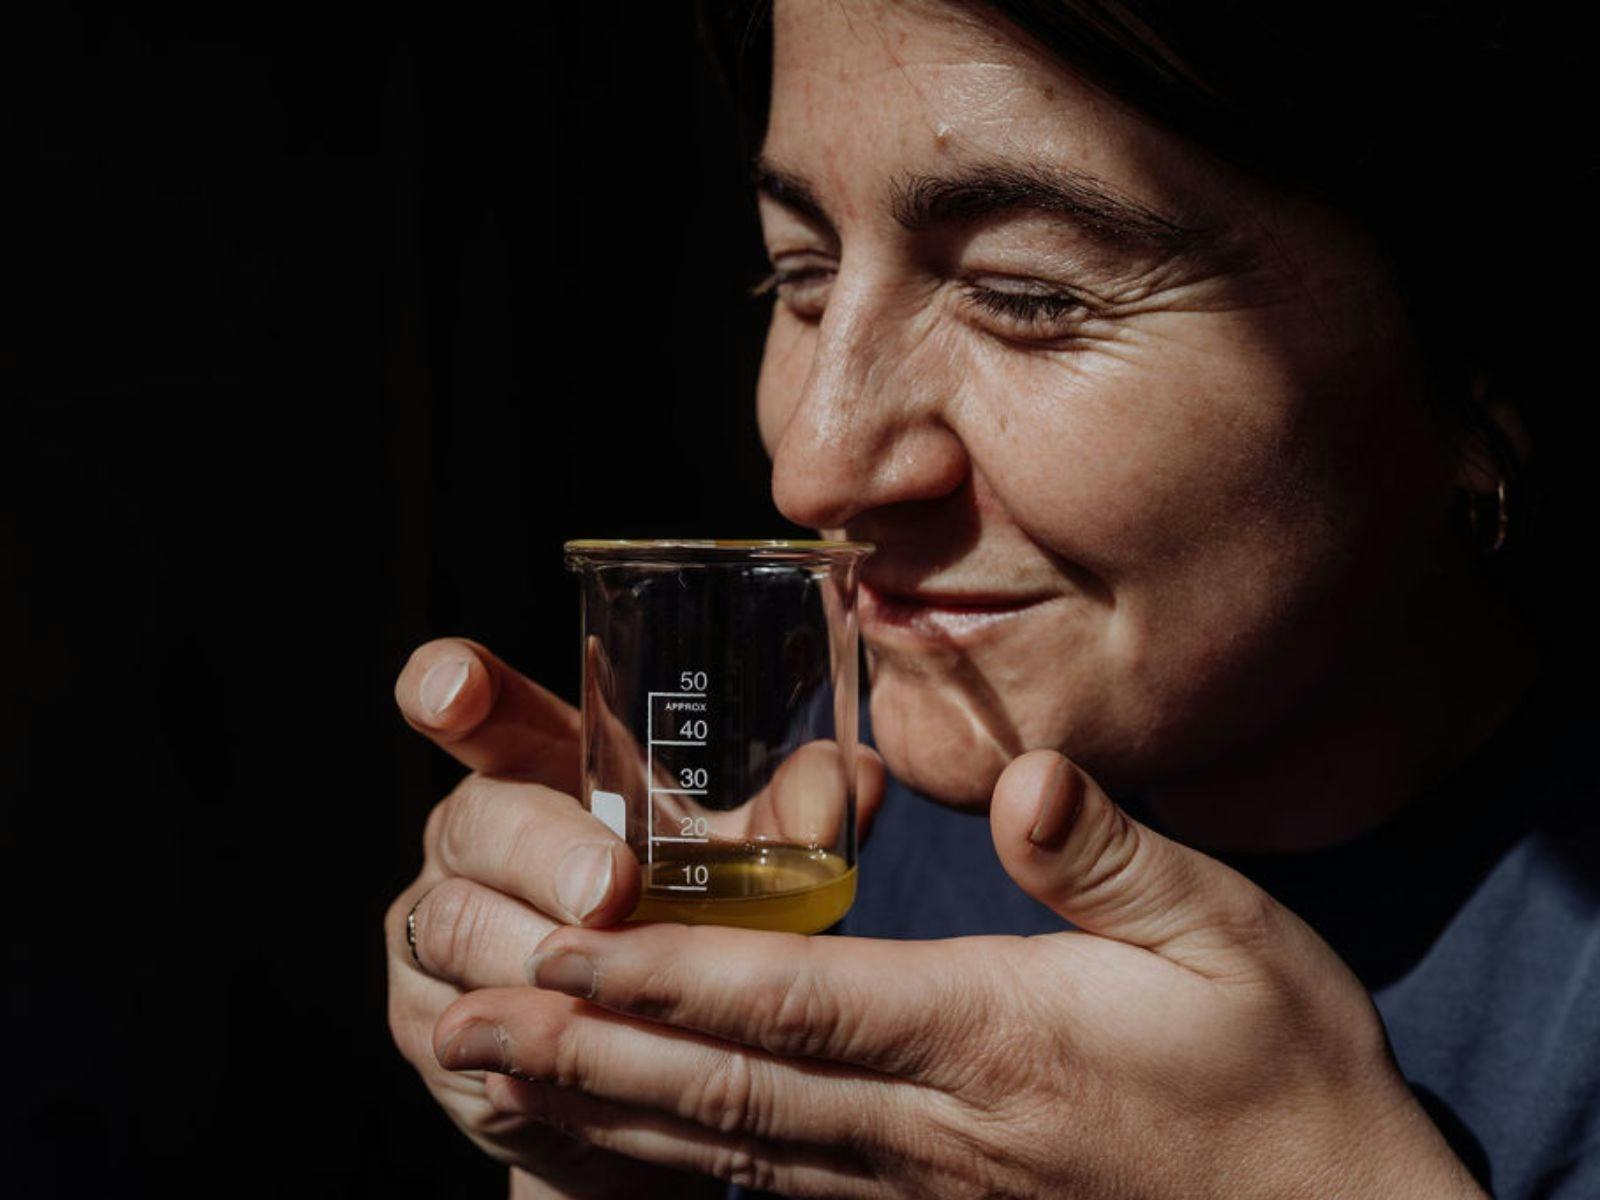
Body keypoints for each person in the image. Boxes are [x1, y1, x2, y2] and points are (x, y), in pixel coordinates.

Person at [384, 1, 1598, 1196]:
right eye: (798, 276)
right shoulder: (845, 816)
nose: (815, 466)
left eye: (1026, 295)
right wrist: (621, 1141)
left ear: (1478, 363)